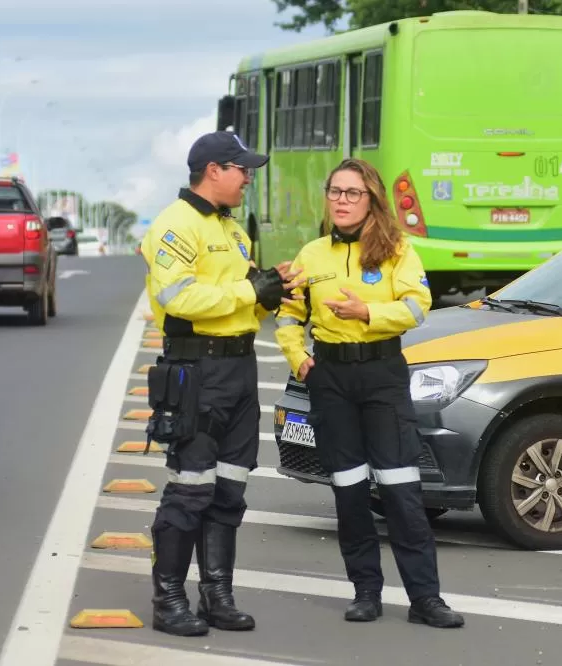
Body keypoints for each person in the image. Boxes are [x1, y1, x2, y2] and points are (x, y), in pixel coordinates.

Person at [274, 158, 465, 629]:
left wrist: (367, 312)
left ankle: (426, 599)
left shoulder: (397, 249)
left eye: (351, 193)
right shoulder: (311, 254)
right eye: (335, 192)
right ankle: (365, 592)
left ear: (371, 199)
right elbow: (288, 315)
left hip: (382, 373)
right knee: (349, 491)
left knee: (401, 491)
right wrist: (298, 359)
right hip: (331, 380)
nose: (341, 200)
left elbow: (417, 307)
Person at [140, 130, 302, 637]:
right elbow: (180, 299)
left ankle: (217, 596)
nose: (248, 177)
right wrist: (249, 288)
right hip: (197, 369)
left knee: (230, 488)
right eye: (241, 169)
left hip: (239, 368)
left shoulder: (232, 229)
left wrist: (269, 292)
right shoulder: (175, 226)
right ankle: (169, 600)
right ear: (214, 170)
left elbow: (239, 298)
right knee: (191, 489)